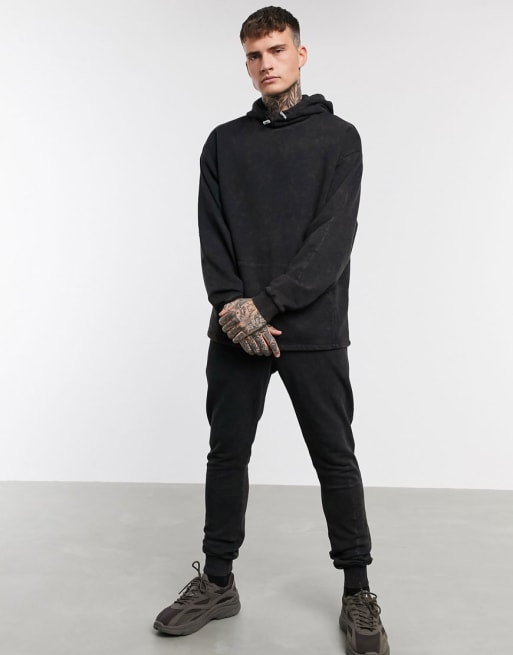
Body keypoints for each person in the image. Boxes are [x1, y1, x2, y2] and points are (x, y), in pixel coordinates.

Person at [153, 7, 389, 655]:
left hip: (312, 328)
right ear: (246, 62)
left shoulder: (339, 138)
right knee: (226, 454)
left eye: (277, 50)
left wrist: (267, 305)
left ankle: (358, 589)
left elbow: (331, 241)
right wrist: (233, 307)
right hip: (236, 330)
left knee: (334, 457)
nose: (266, 64)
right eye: (255, 55)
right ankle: (218, 581)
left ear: (300, 55)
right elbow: (213, 236)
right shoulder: (223, 143)